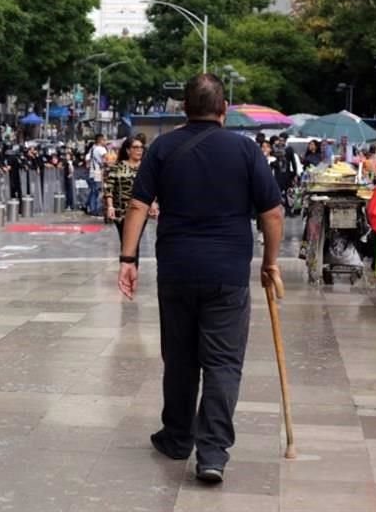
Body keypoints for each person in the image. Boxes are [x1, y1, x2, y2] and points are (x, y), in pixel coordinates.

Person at [117, 74, 283, 485]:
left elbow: (139, 204)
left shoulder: (163, 147)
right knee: (224, 362)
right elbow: (273, 213)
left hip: (176, 270)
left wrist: (128, 258)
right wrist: (270, 262)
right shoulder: (245, 150)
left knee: (180, 357)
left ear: (184, 108)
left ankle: (177, 437)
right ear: (223, 109)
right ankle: (212, 453)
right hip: (227, 273)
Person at [105, 137, 154, 266]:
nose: (139, 150)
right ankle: (128, 268)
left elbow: (152, 187)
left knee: (135, 240)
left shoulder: (146, 168)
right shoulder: (117, 167)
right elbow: (109, 187)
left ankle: (132, 269)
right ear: (128, 150)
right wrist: (110, 206)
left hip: (140, 210)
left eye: (141, 147)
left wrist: (153, 204)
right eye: (135, 147)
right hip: (121, 211)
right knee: (125, 241)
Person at [85, 134, 108, 217]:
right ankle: (97, 210)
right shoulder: (101, 149)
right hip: (98, 173)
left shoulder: (92, 148)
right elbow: (107, 160)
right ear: (100, 140)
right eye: (104, 140)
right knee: (98, 192)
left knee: (93, 192)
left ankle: (90, 208)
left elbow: (87, 160)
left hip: (91, 172)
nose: (105, 142)